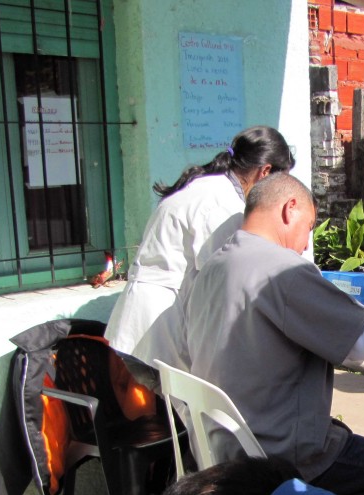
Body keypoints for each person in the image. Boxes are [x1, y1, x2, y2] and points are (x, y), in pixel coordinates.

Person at [182, 173, 364, 495]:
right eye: (309, 227)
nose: (307, 243)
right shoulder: (282, 270)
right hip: (283, 459)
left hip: (220, 450)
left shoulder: (212, 267)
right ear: (289, 209)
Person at [104, 125, 294, 388]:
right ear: (265, 172)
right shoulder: (223, 205)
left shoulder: (206, 186)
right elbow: (224, 282)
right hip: (158, 328)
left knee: (189, 415)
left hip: (141, 324)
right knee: (201, 414)